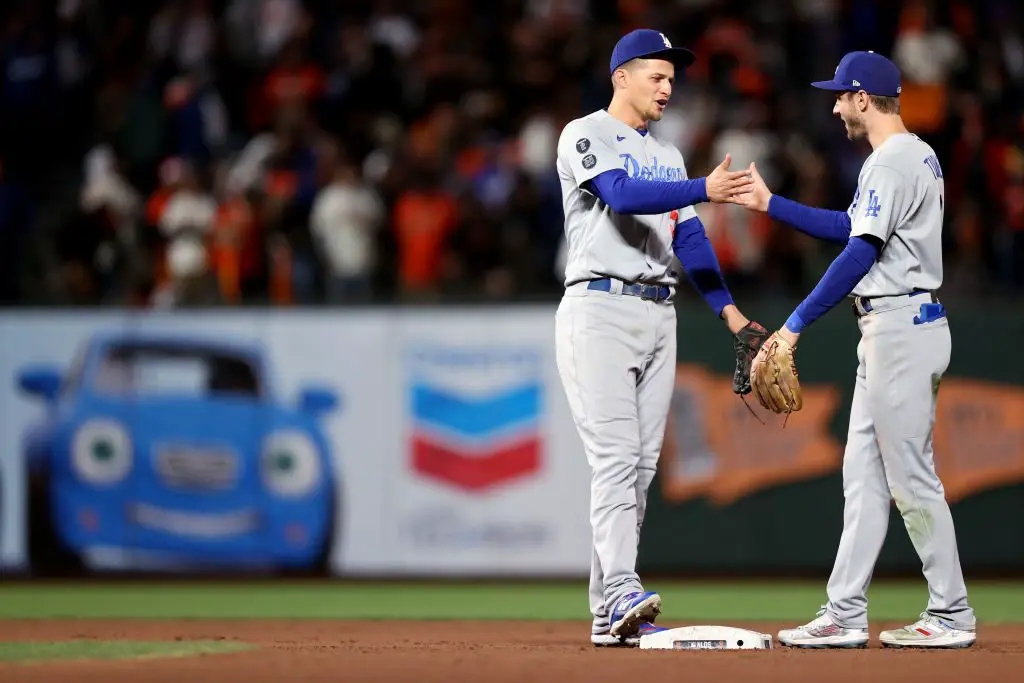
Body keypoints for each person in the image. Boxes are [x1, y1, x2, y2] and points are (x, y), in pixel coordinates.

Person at [729, 51, 977, 649]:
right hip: (899, 326)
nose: (836, 105)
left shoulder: (890, 164)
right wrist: (772, 205)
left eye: (841, 95)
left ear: (864, 97)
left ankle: (951, 611)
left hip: (901, 327)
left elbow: (860, 252)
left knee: (910, 477)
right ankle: (844, 612)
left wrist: (791, 328)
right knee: (863, 477)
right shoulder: (914, 154)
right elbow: (851, 227)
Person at [553, 28, 766, 648]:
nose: (668, 85)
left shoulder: (669, 156)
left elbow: (690, 241)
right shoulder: (584, 133)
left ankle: (607, 609)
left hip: (659, 310)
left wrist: (731, 314)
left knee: (641, 467)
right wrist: (703, 187)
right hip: (600, 308)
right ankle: (621, 585)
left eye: (673, 78)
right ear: (621, 75)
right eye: (657, 74)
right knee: (616, 460)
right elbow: (620, 196)